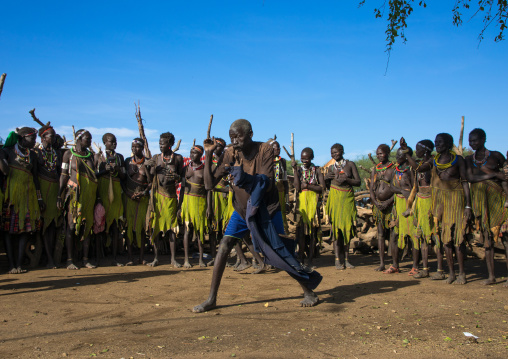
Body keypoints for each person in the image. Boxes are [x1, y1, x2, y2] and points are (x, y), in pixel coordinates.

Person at [193, 119, 322, 313]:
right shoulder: (230, 153)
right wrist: (209, 153)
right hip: (242, 210)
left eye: (239, 137)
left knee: (280, 249)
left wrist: (242, 177)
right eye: (232, 138)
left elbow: (266, 182)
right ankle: (211, 299)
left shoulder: (265, 150)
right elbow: (210, 185)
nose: (235, 141)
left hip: (266, 210)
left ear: (251, 134)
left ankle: (308, 290)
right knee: (224, 246)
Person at [465, 128, 508, 285]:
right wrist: (493, 175)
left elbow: (505, 173)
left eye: (475, 140)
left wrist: (499, 176)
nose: (472, 143)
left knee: (505, 239)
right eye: (470, 141)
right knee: (487, 240)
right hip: (480, 203)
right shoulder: (469, 160)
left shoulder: (496, 155)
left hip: (497, 201)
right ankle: (491, 276)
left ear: (483, 139)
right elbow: (470, 177)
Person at [430, 133, 472, 284]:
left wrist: (468, 205)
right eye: (435, 142)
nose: (437, 145)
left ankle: (462, 274)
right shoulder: (434, 161)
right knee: (445, 239)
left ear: (448, 143)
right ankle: (451, 274)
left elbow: (465, 182)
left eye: (440, 142)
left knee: (458, 238)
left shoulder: (458, 160)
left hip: (457, 201)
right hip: (441, 202)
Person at [2, 127, 43, 273]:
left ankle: (18, 264)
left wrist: (39, 199)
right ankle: (11, 264)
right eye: (32, 138)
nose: (34, 141)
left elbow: (36, 178)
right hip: (11, 198)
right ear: (22, 138)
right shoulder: (7, 152)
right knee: (8, 231)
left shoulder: (32, 154)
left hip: (28, 197)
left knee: (25, 231)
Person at [57, 129, 98, 269]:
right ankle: (70, 260)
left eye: (91, 139)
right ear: (79, 138)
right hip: (74, 195)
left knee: (87, 226)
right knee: (71, 225)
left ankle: (85, 259)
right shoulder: (68, 154)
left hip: (89, 197)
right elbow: (63, 175)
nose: (90, 141)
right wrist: (59, 195)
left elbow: (94, 176)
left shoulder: (91, 156)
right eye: (88, 139)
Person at [400, 138, 437, 279]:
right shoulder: (420, 162)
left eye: (418, 149)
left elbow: (419, 169)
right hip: (420, 200)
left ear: (426, 150)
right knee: (421, 236)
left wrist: (407, 154)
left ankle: (439, 269)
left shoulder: (431, 162)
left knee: (435, 235)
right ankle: (425, 268)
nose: (417, 152)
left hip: (431, 201)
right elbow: (416, 183)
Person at [146, 132, 184, 267]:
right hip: (157, 197)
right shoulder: (156, 158)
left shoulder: (178, 159)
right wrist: (148, 167)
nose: (160, 145)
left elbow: (183, 179)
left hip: (171, 197)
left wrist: (176, 177)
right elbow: (150, 179)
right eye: (159, 143)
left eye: (163, 143)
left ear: (171, 144)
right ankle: (155, 258)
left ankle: (173, 259)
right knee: (156, 228)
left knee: (172, 229)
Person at [324, 143, 360, 269]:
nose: (334, 155)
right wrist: (326, 178)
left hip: (347, 200)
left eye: (336, 152)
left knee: (347, 229)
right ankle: (337, 260)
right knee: (336, 231)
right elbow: (326, 186)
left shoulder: (350, 165)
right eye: (332, 153)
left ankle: (346, 259)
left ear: (342, 151)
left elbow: (358, 181)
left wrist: (347, 180)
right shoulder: (330, 168)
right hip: (335, 200)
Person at [95, 133, 125, 266]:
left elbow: (124, 176)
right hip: (103, 192)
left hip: (117, 193)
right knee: (99, 225)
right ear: (104, 142)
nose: (114, 144)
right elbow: (94, 175)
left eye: (115, 141)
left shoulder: (120, 157)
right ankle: (99, 259)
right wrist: (104, 170)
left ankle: (114, 258)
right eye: (111, 141)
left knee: (114, 226)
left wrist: (118, 169)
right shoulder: (98, 157)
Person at [293, 147, 326, 269]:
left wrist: (308, 185)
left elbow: (322, 188)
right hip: (302, 203)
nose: (304, 160)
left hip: (313, 203)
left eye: (306, 158)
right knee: (301, 233)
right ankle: (301, 259)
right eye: (302, 158)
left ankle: (310, 260)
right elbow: (297, 187)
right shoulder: (299, 170)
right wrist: (295, 171)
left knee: (312, 233)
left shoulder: (317, 170)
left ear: (312, 158)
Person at [386, 147, 416, 274]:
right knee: (394, 235)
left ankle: (415, 266)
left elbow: (416, 187)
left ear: (407, 156)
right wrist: (401, 191)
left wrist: (407, 194)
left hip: (410, 204)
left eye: (400, 155)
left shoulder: (412, 170)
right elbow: (392, 187)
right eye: (396, 155)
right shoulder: (395, 171)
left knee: (413, 235)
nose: (397, 157)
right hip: (398, 204)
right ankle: (395, 265)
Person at [36, 124, 62, 269]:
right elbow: (34, 176)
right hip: (42, 191)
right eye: (52, 135)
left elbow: (59, 174)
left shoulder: (56, 153)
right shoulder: (35, 153)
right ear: (43, 137)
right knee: (44, 225)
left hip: (54, 190)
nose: (54, 137)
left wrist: (59, 195)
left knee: (52, 225)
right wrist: (39, 197)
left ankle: (51, 258)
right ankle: (48, 258)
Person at [122, 138, 151, 265]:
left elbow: (151, 183)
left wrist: (144, 193)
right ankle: (130, 257)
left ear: (143, 148)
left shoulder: (148, 163)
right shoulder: (127, 162)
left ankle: (141, 257)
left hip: (143, 199)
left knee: (142, 228)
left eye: (137, 147)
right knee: (129, 227)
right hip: (129, 198)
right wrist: (128, 193)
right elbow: (122, 180)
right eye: (132, 147)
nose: (134, 149)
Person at [369, 144, 396, 271]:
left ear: (388, 153)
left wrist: (388, 202)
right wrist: (375, 202)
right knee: (380, 234)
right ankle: (381, 263)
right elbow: (371, 188)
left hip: (391, 206)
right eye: (377, 154)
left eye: (381, 153)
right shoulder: (375, 169)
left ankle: (395, 263)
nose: (379, 156)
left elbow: (398, 190)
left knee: (393, 234)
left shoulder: (394, 169)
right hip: (378, 206)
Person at [181, 145, 208, 268]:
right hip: (187, 202)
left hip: (200, 202)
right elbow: (182, 189)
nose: (192, 155)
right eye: (191, 152)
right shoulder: (186, 168)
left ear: (201, 154)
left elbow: (209, 190)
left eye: (195, 153)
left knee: (200, 231)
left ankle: (201, 259)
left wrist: (209, 207)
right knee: (187, 230)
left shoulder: (204, 169)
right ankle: (186, 259)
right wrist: (179, 206)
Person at [208, 137, 228, 266]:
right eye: (215, 146)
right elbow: (208, 185)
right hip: (213, 197)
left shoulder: (227, 161)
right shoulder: (209, 162)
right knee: (213, 229)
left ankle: (225, 257)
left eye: (219, 146)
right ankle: (214, 256)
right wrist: (209, 206)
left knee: (225, 227)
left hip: (226, 197)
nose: (216, 149)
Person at [270, 139, 289, 234]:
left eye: (279, 148)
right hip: (269, 195)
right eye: (276, 148)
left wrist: (287, 200)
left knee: (281, 215)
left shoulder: (283, 162)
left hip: (280, 193)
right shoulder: (266, 162)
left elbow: (285, 180)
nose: (278, 149)